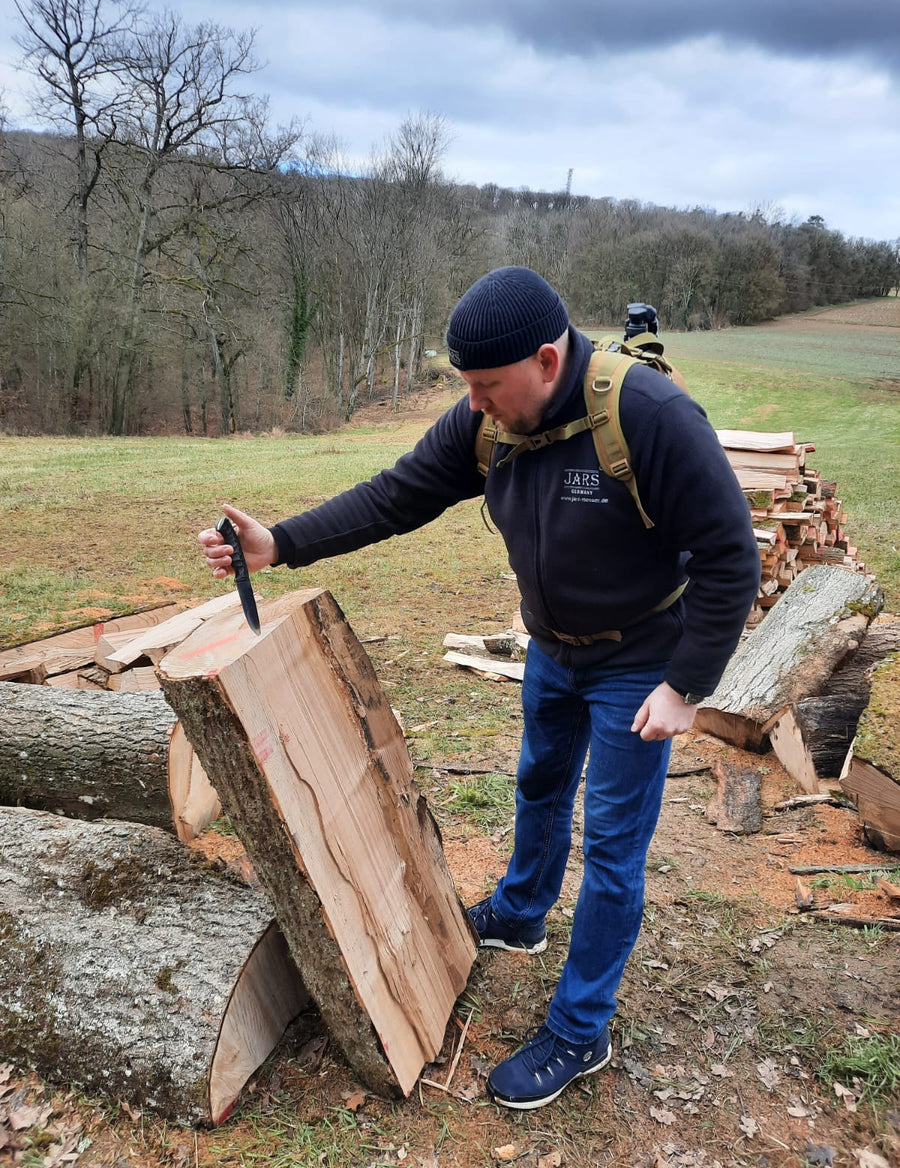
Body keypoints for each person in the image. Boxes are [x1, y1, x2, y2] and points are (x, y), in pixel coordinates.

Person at [199, 266, 760, 1111]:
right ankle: (524, 911)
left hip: (642, 661)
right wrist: (281, 543)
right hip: (553, 649)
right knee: (537, 785)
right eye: (466, 387)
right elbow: (397, 495)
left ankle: (581, 1029)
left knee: (612, 846)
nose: (474, 404)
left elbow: (732, 558)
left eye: (487, 387)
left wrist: (685, 686)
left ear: (545, 360)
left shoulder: (648, 417)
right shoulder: (488, 416)